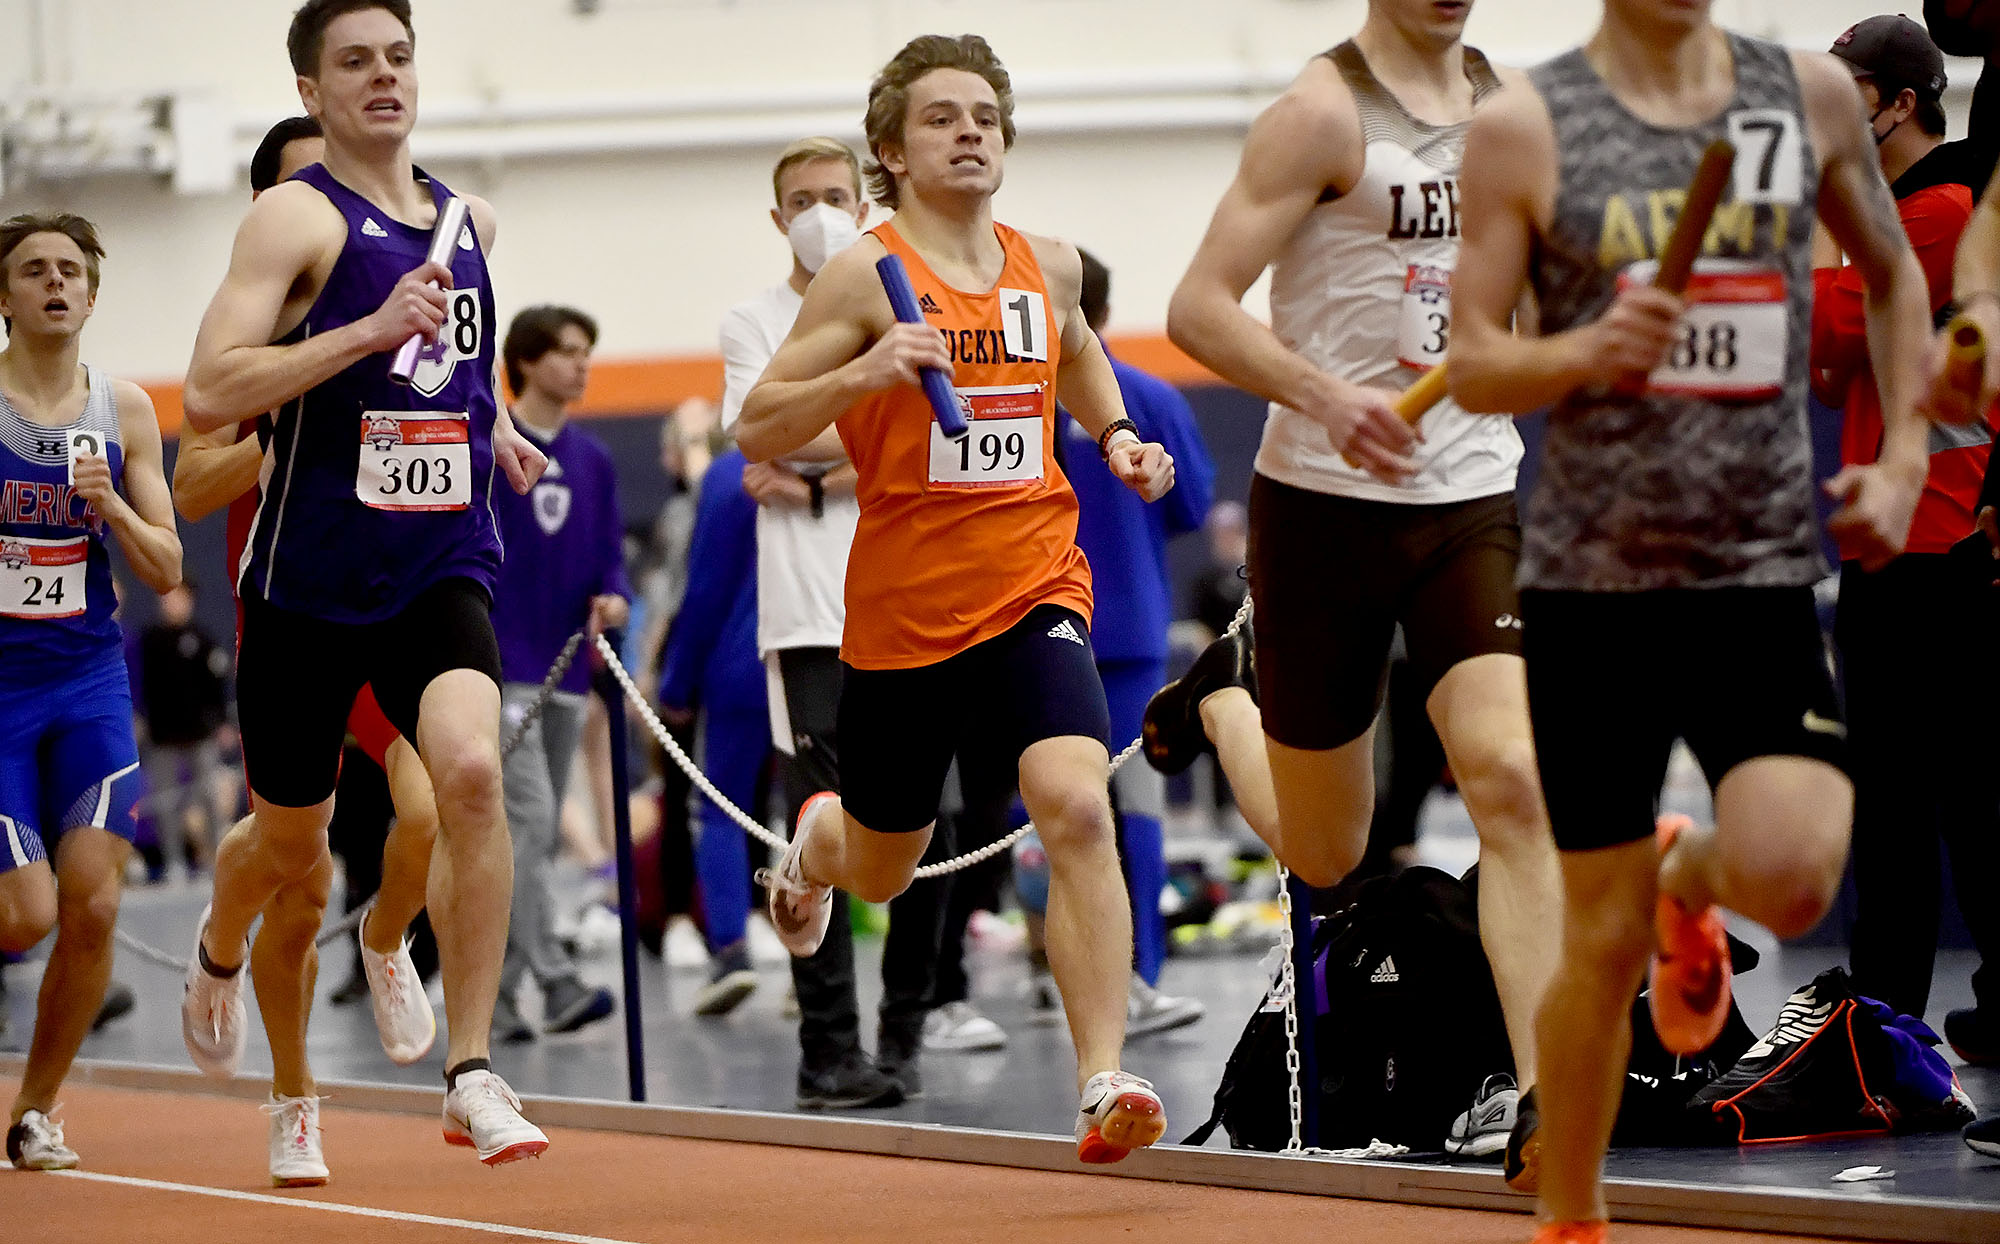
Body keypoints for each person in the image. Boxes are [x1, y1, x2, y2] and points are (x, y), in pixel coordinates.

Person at [1448, 0, 1939, 1236]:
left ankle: (1691, 871)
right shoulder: (1523, 123)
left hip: (1754, 570)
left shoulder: (1807, 98)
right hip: (1588, 589)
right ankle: (1571, 1210)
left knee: (1791, 868)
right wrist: (1582, 350)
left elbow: (1892, 280)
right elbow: (1469, 361)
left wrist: (1899, 465)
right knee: (1599, 943)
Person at [737, 34, 1178, 1163]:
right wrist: (864, 370)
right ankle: (811, 846)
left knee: (1073, 804)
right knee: (882, 857)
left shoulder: (1052, 262)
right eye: (940, 117)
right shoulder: (858, 275)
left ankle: (1101, 1077)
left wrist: (1116, 434)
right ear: (889, 148)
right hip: (904, 611)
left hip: (1036, 579)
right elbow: (760, 424)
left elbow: (1077, 352)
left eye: (983, 113)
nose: (968, 130)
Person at [1159, 0, 1562, 1172]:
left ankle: (1538, 1093)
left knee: (1513, 780)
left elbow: (1530, 303)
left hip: (1466, 499)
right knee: (1331, 852)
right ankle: (1224, 702)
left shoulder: (1512, 111)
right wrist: (1328, 396)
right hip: (1322, 506)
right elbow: (1196, 307)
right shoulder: (1318, 113)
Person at [178, 0, 550, 1170]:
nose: (382, 77)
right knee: (292, 846)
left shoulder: (469, 218)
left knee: (473, 775)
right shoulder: (295, 216)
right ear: (311, 87)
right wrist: (362, 328)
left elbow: (448, 365)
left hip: (439, 560)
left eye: (398, 56)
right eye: (355, 62)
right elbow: (206, 388)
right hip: (307, 586)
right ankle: (221, 932)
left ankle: (474, 1069)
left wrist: (490, 431)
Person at [171, 108, 446, 1184]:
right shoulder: (246, 337)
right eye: (305, 189)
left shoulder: (397, 307)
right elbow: (194, 480)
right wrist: (290, 417)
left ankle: (388, 941)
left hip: (394, 601)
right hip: (285, 611)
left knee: (428, 811)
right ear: (268, 211)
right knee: (299, 870)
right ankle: (285, 1076)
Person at [717, 135, 942, 1107]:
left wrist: (818, 464)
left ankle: (904, 1026)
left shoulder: (909, 300)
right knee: (816, 826)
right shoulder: (752, 322)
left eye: (834, 194)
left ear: (864, 202)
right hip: (808, 612)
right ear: (777, 218)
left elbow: (933, 429)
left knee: (929, 825)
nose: (819, 209)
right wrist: (861, 420)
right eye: (801, 198)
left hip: (918, 600)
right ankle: (827, 1045)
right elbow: (759, 431)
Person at [1812, 15, 2000, 1035]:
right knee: (1927, 804)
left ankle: (1886, 1022)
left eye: (1847, 89)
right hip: (1903, 542)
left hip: (1934, 546)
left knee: (1934, 805)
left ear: (1897, 102)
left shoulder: (1932, 213)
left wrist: (1808, 219)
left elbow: (1826, 333)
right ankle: (1894, 1020)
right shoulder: (1897, 212)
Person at [0, 212, 183, 1170]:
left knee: (94, 906)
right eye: (33, 271)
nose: (55, 284)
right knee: (23, 914)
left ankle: (34, 1111)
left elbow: (165, 566)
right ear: (5, 297)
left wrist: (108, 503)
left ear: (93, 294)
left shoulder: (128, 413)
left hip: (85, 679)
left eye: (70, 271)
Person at [1045, 247, 1214, 1033]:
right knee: (1134, 809)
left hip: (1039, 629)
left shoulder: (1024, 401)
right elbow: (1191, 508)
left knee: (1049, 805)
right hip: (1133, 629)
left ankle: (1062, 976)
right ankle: (1140, 975)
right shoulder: (1150, 398)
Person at [487, 304, 624, 1042]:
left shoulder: (596, 460)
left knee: (529, 840)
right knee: (532, 820)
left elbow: (610, 556)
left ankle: (498, 1002)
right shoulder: (491, 445)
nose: (581, 364)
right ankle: (557, 978)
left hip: (569, 671)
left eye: (587, 351)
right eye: (567, 351)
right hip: (504, 673)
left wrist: (617, 598)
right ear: (529, 360)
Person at [134, 579, 230, 875]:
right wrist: (142, 719)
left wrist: (222, 723)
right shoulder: (150, 641)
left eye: (179, 597)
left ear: (190, 600)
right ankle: (174, 861)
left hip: (200, 734)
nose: (172, 603)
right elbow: (140, 685)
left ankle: (215, 857)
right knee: (165, 803)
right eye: (168, 598)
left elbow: (218, 684)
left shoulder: (202, 639)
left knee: (210, 797)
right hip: (162, 736)